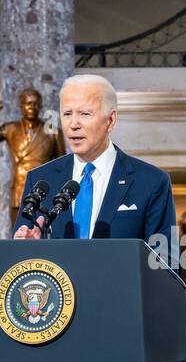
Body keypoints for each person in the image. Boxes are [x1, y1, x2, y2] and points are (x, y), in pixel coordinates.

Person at [13, 74, 176, 262]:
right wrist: (26, 250)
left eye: (84, 114)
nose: (73, 125)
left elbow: (165, 266)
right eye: (67, 114)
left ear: (110, 120)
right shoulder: (41, 180)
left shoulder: (152, 182)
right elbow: (19, 264)